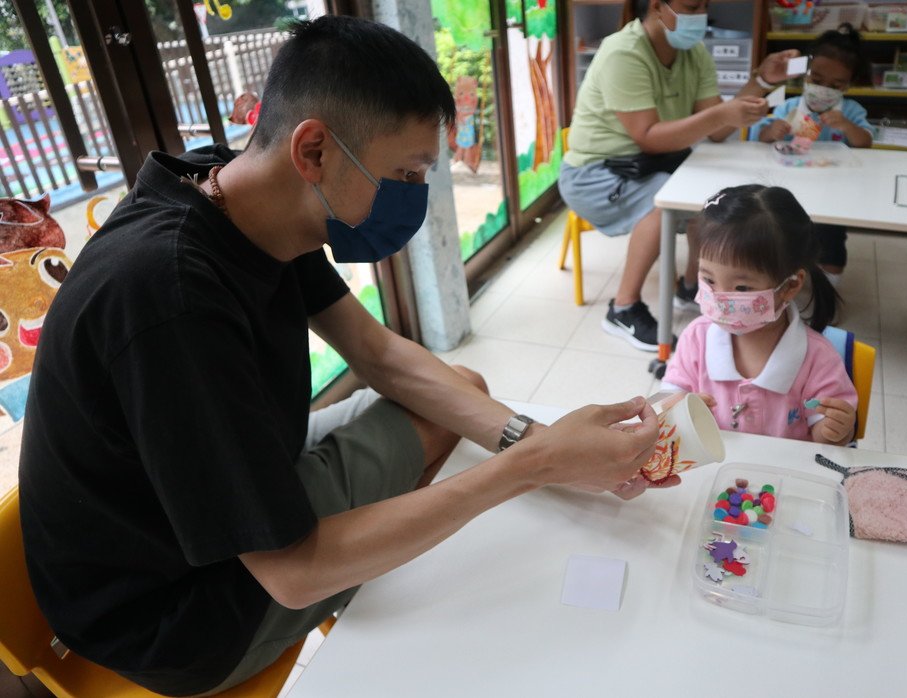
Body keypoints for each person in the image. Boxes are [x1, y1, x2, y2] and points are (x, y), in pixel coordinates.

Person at [17, 17, 665, 696]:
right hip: (176, 615)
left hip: (196, 505)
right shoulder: (171, 296)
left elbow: (378, 352)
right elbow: (292, 572)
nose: (412, 195)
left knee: (461, 388)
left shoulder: (237, 195)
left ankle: (380, 551)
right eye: (405, 173)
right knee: (453, 466)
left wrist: (530, 440)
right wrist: (534, 466)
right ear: (314, 150)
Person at [558, 0, 799, 352]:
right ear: (658, 6)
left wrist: (761, 80)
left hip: (655, 162)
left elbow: (718, 129)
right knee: (665, 204)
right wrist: (721, 115)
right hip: (596, 173)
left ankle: (690, 287)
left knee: (714, 201)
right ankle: (622, 308)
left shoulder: (694, 53)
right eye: (691, 6)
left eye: (704, 6)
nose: (701, 16)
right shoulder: (623, 53)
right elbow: (648, 136)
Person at [660, 185, 858, 445]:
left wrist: (836, 431)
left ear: (790, 286)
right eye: (709, 279)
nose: (719, 299)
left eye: (742, 288)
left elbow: (828, 441)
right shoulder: (696, 338)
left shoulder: (818, 358)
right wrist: (680, 412)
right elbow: (669, 401)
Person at [751, 23, 872, 284]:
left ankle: (828, 289)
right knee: (783, 240)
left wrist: (847, 126)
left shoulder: (850, 111)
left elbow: (866, 142)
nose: (824, 88)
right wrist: (772, 130)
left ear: (848, 86)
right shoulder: (790, 107)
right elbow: (759, 138)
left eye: (835, 84)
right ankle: (786, 280)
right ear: (805, 74)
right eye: (817, 80)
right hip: (790, 190)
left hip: (833, 194)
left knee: (831, 245)